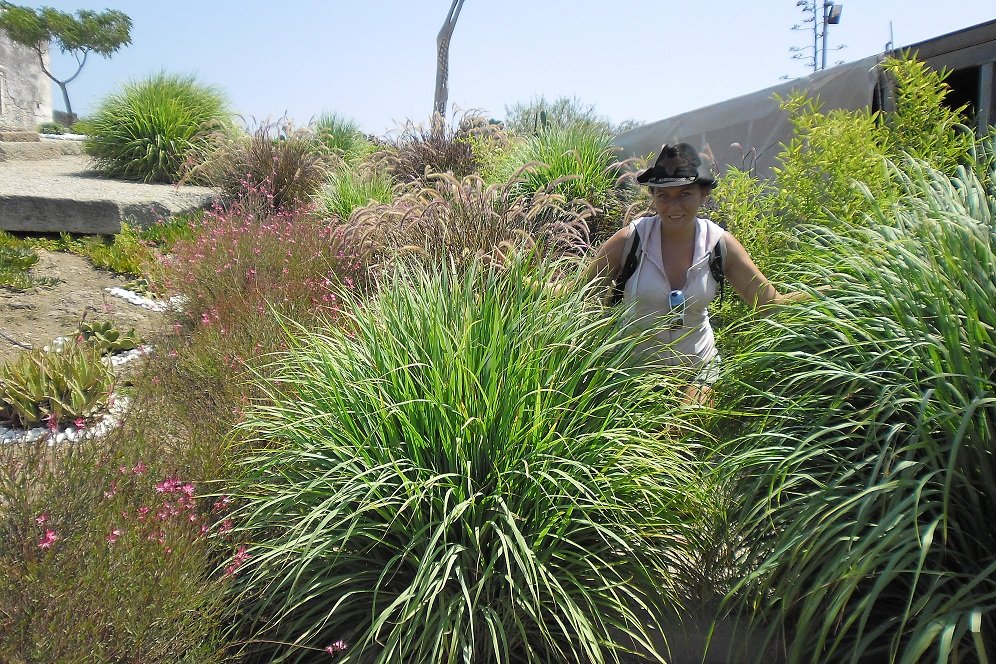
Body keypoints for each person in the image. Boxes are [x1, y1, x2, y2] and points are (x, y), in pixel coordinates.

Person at [582, 142, 810, 404]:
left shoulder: (720, 244)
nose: (673, 206)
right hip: (632, 374)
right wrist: (528, 281)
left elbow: (769, 304)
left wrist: (833, 291)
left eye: (685, 194)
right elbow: (581, 295)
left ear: (703, 195)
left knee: (681, 430)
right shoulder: (630, 240)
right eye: (663, 196)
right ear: (653, 196)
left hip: (697, 369)